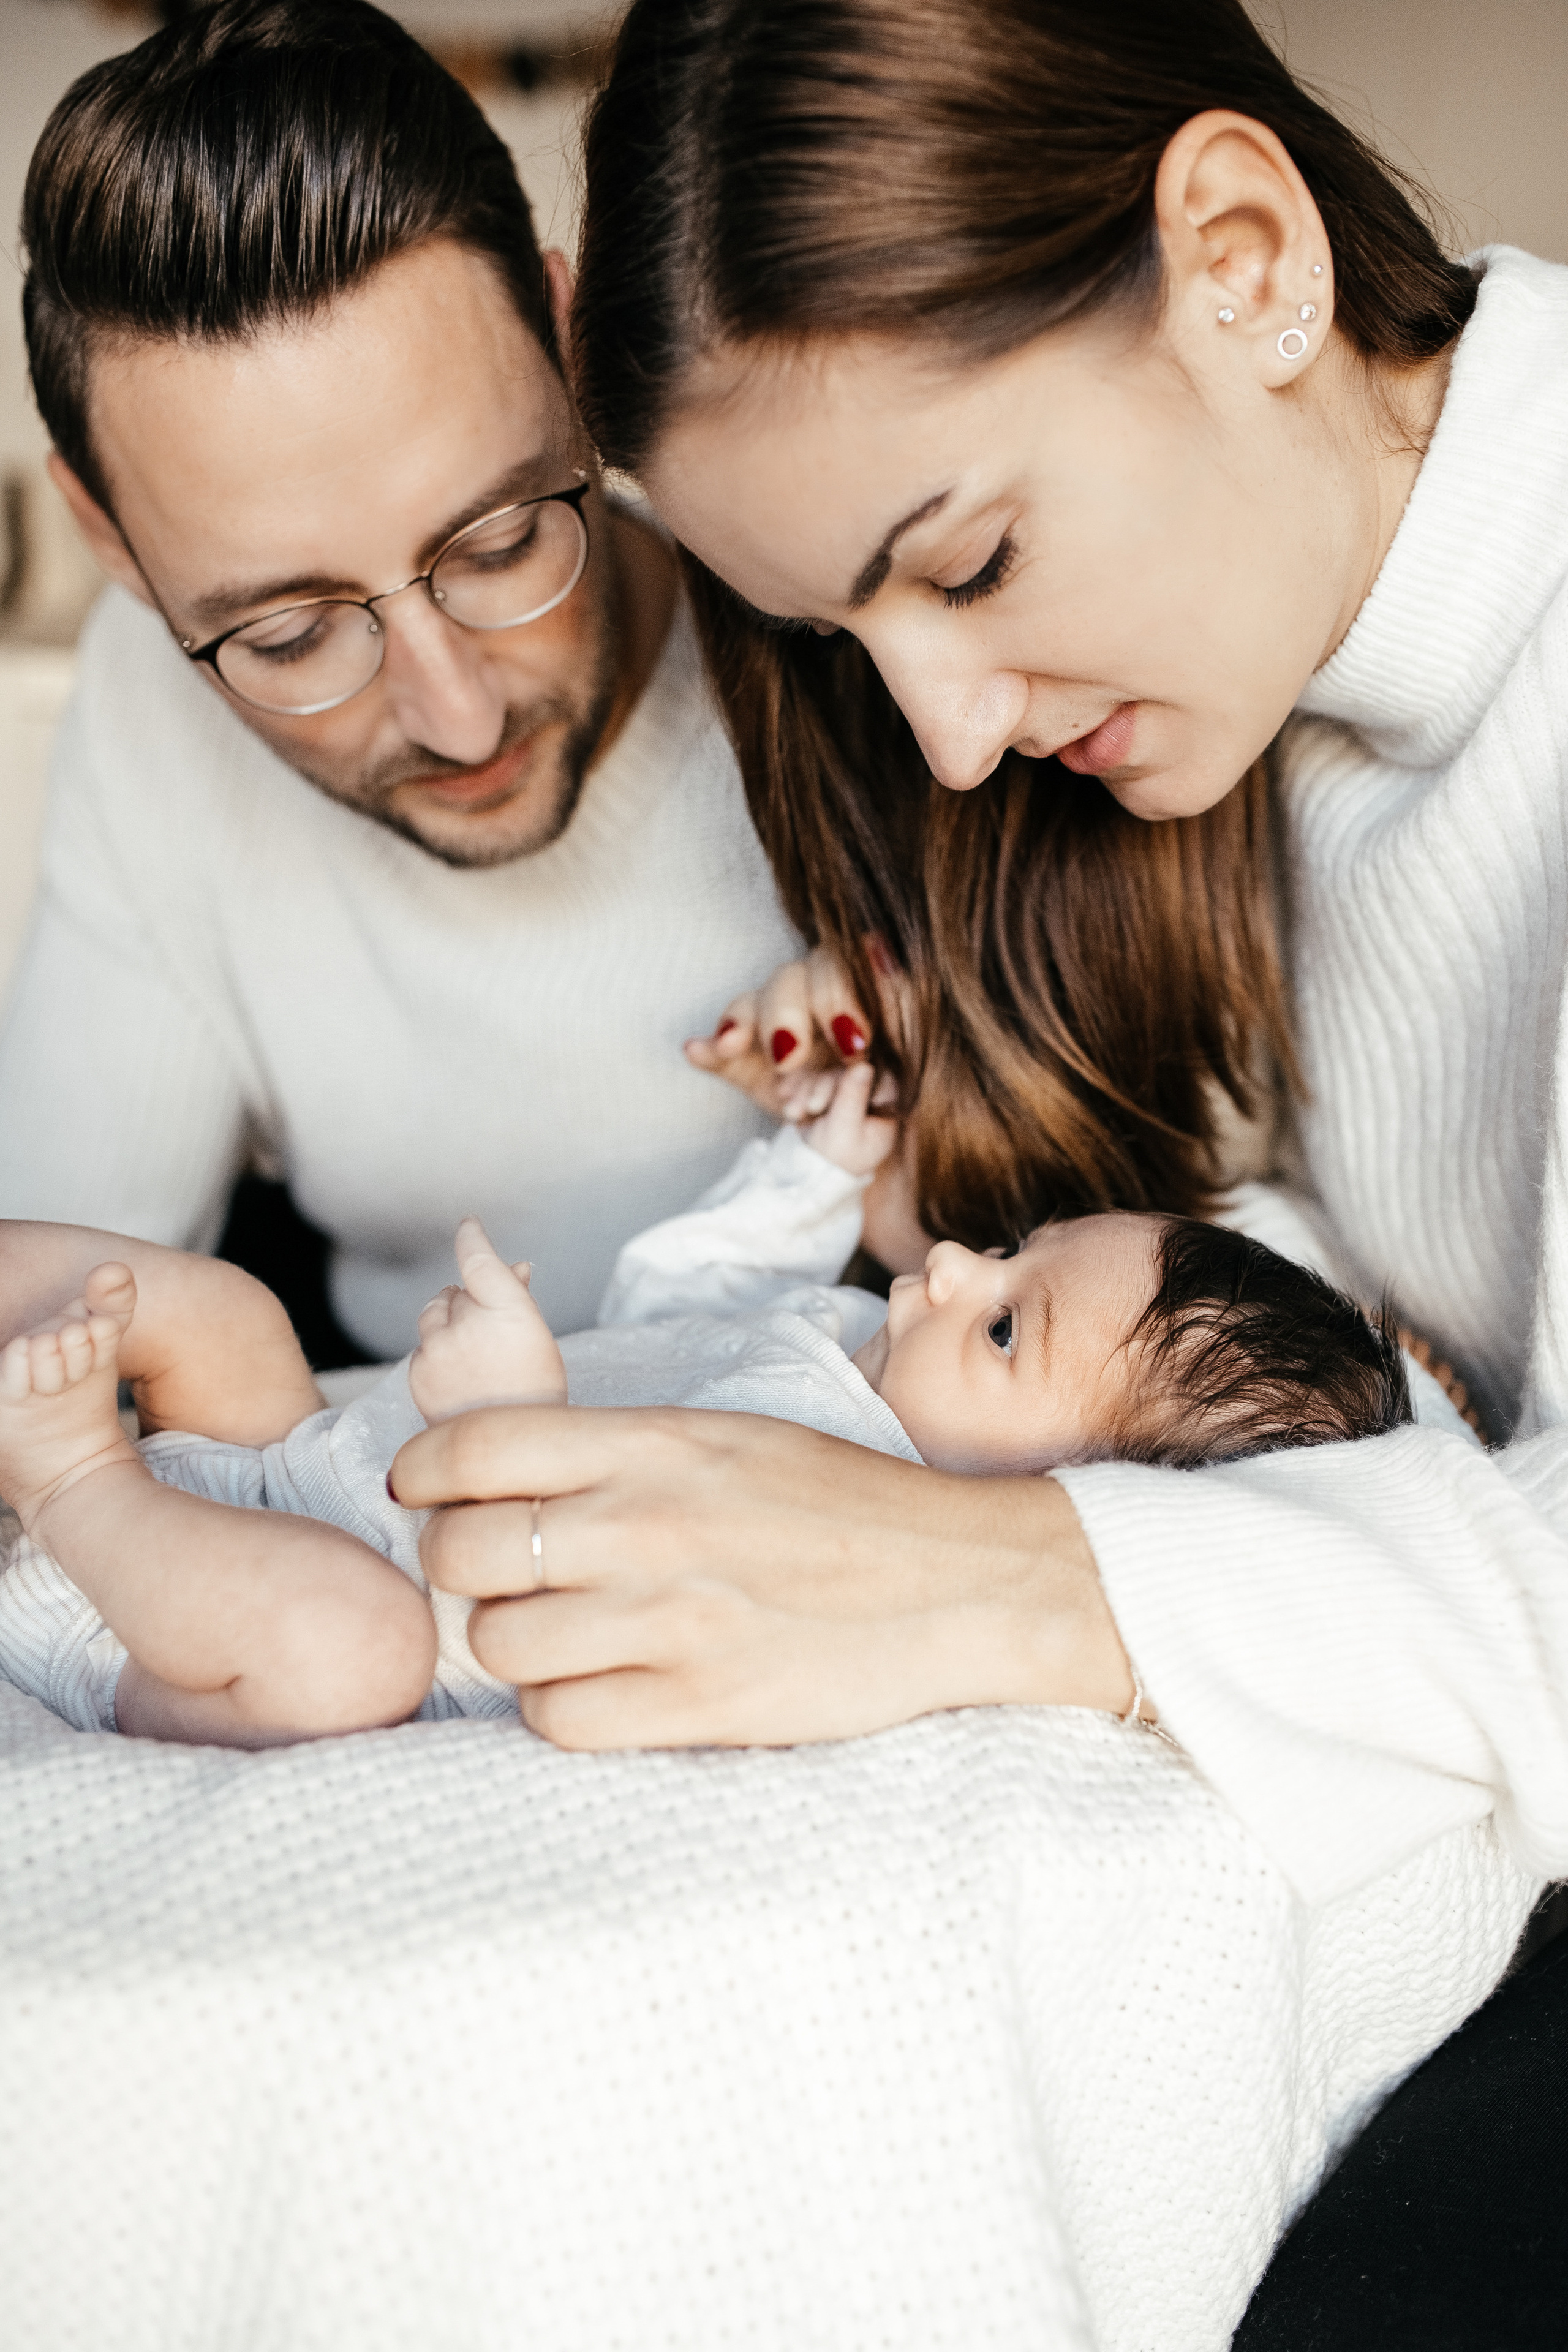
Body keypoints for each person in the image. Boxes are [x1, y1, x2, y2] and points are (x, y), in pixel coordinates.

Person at [380, 0, 1568, 2333]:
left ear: (1245, 258)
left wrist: (1004, 1576)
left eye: (976, 556)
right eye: (845, 631)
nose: (941, 730)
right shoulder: (1259, 695)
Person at [0, 0, 798, 1358]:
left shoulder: (825, 605)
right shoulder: (153, 701)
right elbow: (62, 1292)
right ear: (109, 541)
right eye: (288, 638)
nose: (457, 715)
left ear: (563, 338)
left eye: (495, 544)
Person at [0, 1058, 1411, 1749]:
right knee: (220, 1311)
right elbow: (688, 1297)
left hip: (231, 1624)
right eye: (1016, 1245)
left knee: (344, 1650)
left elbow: (540, 1581)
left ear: (1054, 1501)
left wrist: (499, 1421)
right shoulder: (853, 1341)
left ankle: (69, 1486)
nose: (949, 1262)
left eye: (1000, 1323)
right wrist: (804, 1179)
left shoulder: (843, 1556)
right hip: (294, 1466)